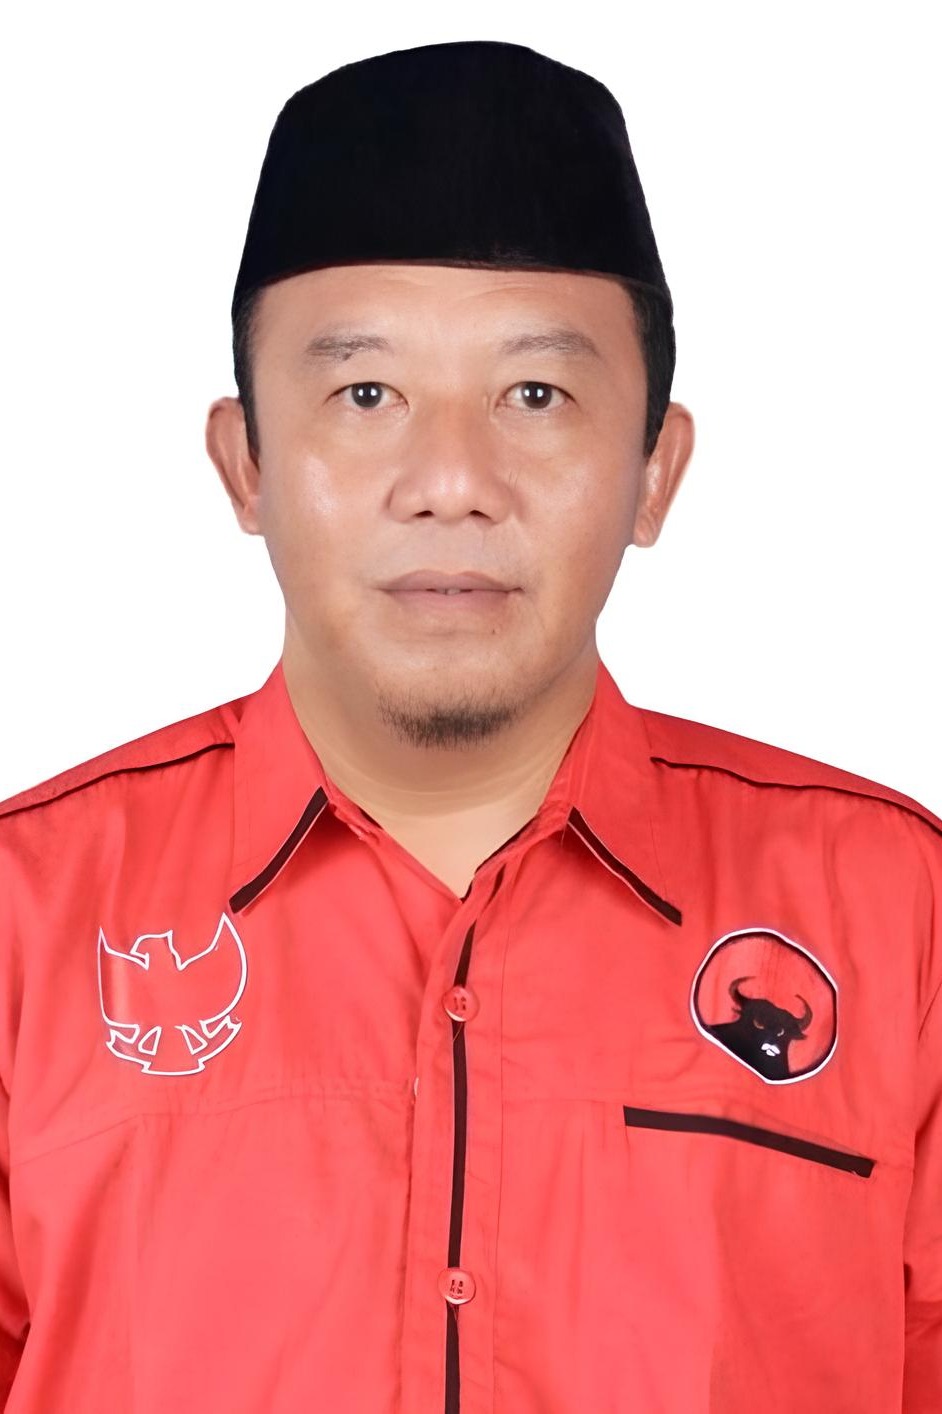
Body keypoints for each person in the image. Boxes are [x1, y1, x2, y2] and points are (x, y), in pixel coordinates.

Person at [0, 37, 939, 1414]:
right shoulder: (25, 917)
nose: (451, 480)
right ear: (246, 463)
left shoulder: (898, 913)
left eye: (535, 395)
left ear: (654, 470)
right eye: (365, 395)